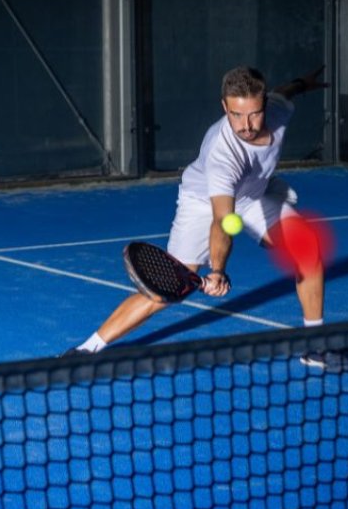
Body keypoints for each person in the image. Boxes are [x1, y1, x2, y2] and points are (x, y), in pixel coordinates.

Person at [67, 65, 329, 363]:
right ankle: (87, 348)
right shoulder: (223, 154)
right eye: (236, 115)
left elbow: (283, 92)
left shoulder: (278, 111)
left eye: (254, 114)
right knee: (166, 289)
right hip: (204, 204)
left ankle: (315, 345)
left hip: (251, 197)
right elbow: (223, 221)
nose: (246, 125)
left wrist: (301, 83)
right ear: (224, 107)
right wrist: (217, 270)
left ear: (265, 105)